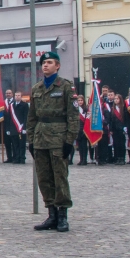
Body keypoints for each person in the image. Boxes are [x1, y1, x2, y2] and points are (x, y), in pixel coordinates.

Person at [28, 51, 79, 232]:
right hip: (41, 138)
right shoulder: (36, 89)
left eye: (49, 62)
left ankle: (63, 215)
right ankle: (51, 214)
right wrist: (30, 140)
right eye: (43, 63)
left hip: (58, 138)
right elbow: (32, 117)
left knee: (60, 177)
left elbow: (73, 117)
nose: (45, 65)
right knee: (44, 178)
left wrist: (69, 140)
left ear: (57, 66)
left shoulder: (66, 87)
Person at [109, 93, 127, 164]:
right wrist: (111, 129)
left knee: (122, 144)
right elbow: (111, 120)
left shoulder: (123, 108)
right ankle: (117, 158)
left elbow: (125, 118)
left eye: (117, 99)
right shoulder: (113, 109)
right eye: (115, 99)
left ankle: (122, 158)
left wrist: (125, 127)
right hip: (115, 129)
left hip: (122, 128)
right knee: (116, 144)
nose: (116, 100)